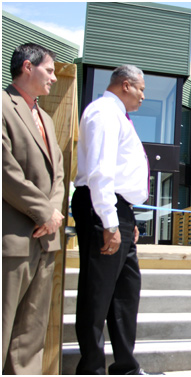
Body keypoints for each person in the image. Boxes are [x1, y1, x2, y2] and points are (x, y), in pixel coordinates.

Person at [72, 65, 156, 374]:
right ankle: (91, 368)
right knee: (98, 291)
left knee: (125, 291)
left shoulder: (118, 115)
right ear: (125, 85)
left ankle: (125, 367)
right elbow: (100, 171)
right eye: (141, 89)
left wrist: (125, 218)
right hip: (101, 206)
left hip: (118, 208)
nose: (144, 96)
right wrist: (109, 221)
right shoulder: (104, 113)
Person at [2, 43, 65, 374]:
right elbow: (4, 168)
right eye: (50, 70)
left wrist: (53, 215)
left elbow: (59, 174)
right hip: (12, 241)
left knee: (30, 335)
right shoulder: (2, 105)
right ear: (28, 67)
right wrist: (44, 212)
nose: (54, 78)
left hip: (45, 241)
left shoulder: (48, 120)